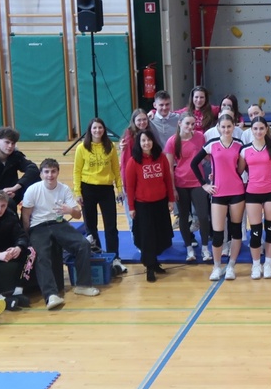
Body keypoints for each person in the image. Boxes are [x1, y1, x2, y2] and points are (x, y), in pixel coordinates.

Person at [21, 159, 102, 308]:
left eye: (53, 171)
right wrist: (27, 237)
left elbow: (77, 214)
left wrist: (70, 210)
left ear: (58, 172)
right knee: (42, 255)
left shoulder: (64, 189)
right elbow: (25, 216)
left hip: (59, 223)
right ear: (41, 174)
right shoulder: (33, 190)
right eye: (46, 172)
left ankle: (83, 285)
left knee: (83, 244)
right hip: (38, 226)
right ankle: (50, 295)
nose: (50, 175)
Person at [192, 113, 246, 281]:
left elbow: (241, 169)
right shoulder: (212, 144)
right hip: (218, 193)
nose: (226, 129)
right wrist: (204, 184)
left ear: (234, 127)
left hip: (237, 192)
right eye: (223, 127)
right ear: (218, 128)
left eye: (229, 126)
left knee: (236, 231)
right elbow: (194, 163)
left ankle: (231, 266)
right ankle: (216, 267)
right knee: (217, 233)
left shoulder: (240, 145)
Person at [73, 117, 125, 274]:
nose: (97, 130)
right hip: (87, 189)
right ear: (90, 130)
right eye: (94, 128)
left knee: (111, 226)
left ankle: (115, 258)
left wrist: (119, 189)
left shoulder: (110, 146)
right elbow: (77, 171)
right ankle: (98, 256)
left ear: (104, 130)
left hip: (106, 189)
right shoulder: (82, 148)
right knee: (91, 227)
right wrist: (77, 192)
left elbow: (116, 169)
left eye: (100, 128)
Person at [125, 130, 176, 283]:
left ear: (153, 141)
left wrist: (171, 200)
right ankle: (149, 267)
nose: (146, 143)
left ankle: (154, 262)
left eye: (148, 140)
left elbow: (167, 179)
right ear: (139, 143)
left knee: (160, 235)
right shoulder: (133, 161)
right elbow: (130, 187)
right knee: (147, 237)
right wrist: (131, 207)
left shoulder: (161, 157)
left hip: (160, 203)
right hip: (143, 205)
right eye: (143, 141)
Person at [238, 117, 271, 279]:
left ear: (266, 129)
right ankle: (256, 265)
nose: (258, 131)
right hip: (252, 193)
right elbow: (239, 171)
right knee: (255, 232)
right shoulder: (245, 150)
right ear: (251, 130)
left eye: (261, 128)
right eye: (255, 128)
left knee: (270, 229)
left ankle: (268, 263)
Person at [165, 113, 212, 264]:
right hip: (181, 183)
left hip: (198, 182)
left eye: (193, 124)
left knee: (203, 216)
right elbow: (169, 168)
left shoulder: (200, 137)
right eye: (187, 124)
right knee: (184, 217)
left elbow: (207, 157)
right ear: (179, 123)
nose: (190, 127)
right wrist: (173, 189)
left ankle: (205, 247)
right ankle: (189, 248)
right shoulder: (172, 141)